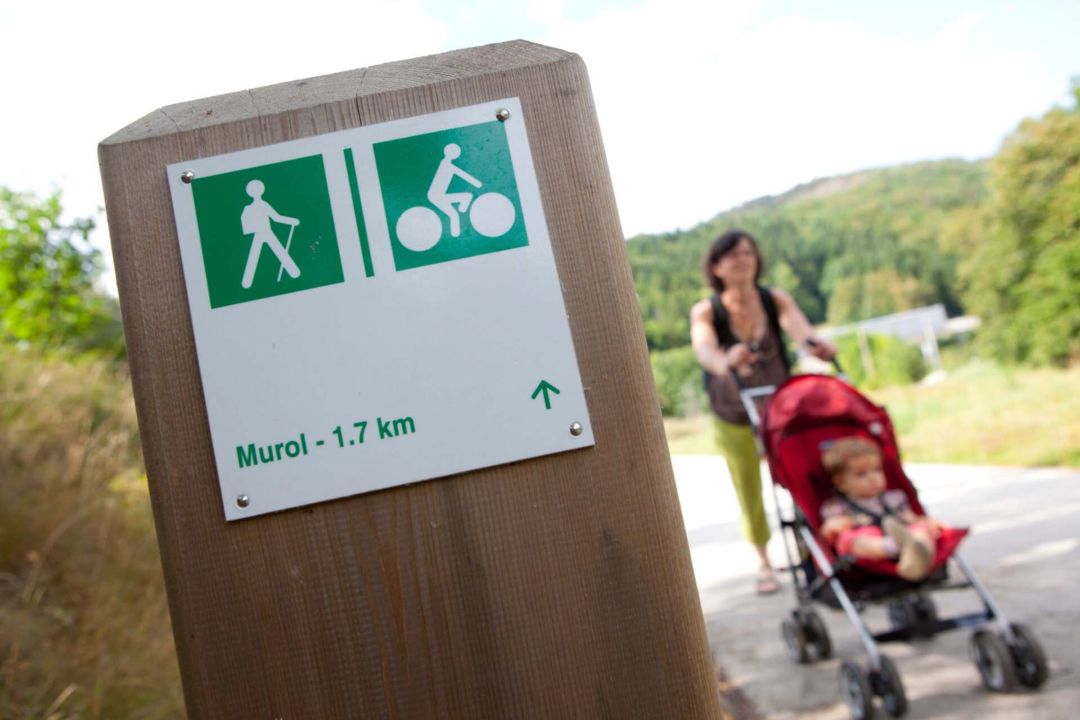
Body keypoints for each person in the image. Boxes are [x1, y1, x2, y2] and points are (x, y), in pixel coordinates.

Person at [690, 229, 837, 595]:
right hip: (732, 409)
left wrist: (817, 347)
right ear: (716, 266)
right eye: (733, 255)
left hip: (779, 406)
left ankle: (811, 550)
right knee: (749, 488)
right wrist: (725, 360)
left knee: (800, 473)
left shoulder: (774, 299)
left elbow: (801, 331)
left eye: (748, 253)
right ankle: (764, 562)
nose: (743, 260)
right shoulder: (707, 310)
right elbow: (705, 351)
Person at [819, 437, 943, 581]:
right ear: (840, 483)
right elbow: (828, 534)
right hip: (870, 543)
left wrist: (928, 523)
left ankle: (919, 556)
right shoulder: (836, 507)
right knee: (848, 540)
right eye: (862, 474)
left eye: (877, 470)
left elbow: (910, 518)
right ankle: (896, 546)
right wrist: (833, 526)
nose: (873, 478)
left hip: (902, 532)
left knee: (921, 529)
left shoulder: (894, 498)